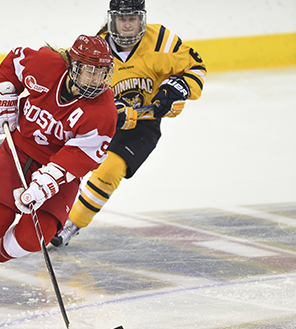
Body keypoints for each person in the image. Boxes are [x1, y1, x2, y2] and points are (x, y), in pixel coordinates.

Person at [0, 34, 118, 305]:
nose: (95, 80)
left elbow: (81, 156)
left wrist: (45, 184)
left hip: (61, 174)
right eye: (89, 71)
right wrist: (5, 93)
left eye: (101, 73)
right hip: (17, 153)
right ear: (73, 66)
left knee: (35, 237)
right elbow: (13, 62)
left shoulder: (103, 112)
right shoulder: (45, 64)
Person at [49, 0, 207, 247]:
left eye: (132, 19)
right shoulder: (97, 48)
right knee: (64, 164)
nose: (127, 26)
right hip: (99, 120)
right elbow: (74, 87)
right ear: (112, 19)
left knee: (110, 169)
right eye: (122, 19)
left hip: (143, 125)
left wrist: (176, 88)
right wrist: (107, 112)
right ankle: (45, 214)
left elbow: (196, 69)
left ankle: (73, 222)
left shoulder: (161, 41)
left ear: (142, 19)